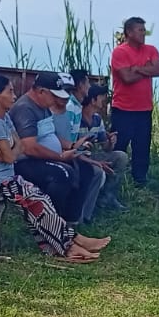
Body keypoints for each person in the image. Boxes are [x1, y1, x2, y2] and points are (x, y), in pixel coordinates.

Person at [0, 74, 110, 263]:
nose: (14, 96)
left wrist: (12, 150)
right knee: (37, 202)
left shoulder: (4, 118)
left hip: (6, 177)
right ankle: (70, 245)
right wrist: (12, 151)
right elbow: (12, 156)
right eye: (10, 92)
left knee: (41, 201)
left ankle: (60, 245)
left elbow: (17, 147)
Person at [10, 72, 88, 222]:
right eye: (54, 95)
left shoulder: (44, 107)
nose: (55, 100)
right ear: (41, 91)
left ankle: (70, 220)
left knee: (84, 168)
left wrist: (72, 146)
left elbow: (51, 134)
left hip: (45, 157)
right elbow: (29, 148)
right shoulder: (25, 109)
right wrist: (60, 157)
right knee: (62, 174)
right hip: (26, 162)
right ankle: (48, 222)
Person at [109, 16, 159, 187]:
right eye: (140, 30)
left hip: (144, 109)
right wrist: (148, 70)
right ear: (129, 32)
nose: (143, 33)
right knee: (119, 146)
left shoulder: (151, 50)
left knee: (142, 147)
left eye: (144, 30)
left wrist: (138, 68)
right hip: (123, 109)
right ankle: (112, 179)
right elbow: (127, 78)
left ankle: (140, 179)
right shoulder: (120, 52)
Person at [46, 76, 106, 222]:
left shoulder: (76, 108)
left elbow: (70, 141)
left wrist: (76, 147)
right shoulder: (68, 108)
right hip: (59, 154)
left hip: (71, 152)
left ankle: (77, 218)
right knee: (84, 171)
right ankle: (66, 219)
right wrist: (75, 150)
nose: (88, 87)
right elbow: (58, 138)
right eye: (87, 83)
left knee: (87, 171)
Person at [79, 83, 130, 211]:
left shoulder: (97, 119)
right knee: (97, 170)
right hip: (79, 157)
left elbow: (105, 147)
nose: (105, 101)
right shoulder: (77, 117)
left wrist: (110, 142)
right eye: (102, 97)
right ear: (93, 100)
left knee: (121, 156)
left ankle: (108, 197)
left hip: (92, 155)